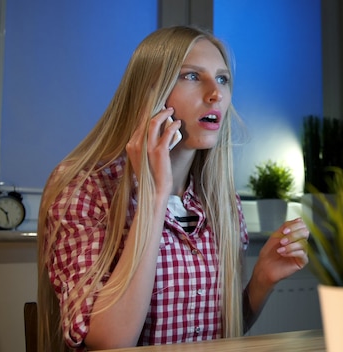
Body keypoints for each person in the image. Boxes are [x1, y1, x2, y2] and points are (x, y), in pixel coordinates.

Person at [36, 25, 310, 351]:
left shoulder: (223, 204)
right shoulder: (85, 191)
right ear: (148, 93)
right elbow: (110, 342)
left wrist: (261, 281)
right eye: (192, 76)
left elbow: (216, 334)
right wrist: (154, 195)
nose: (216, 93)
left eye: (222, 79)